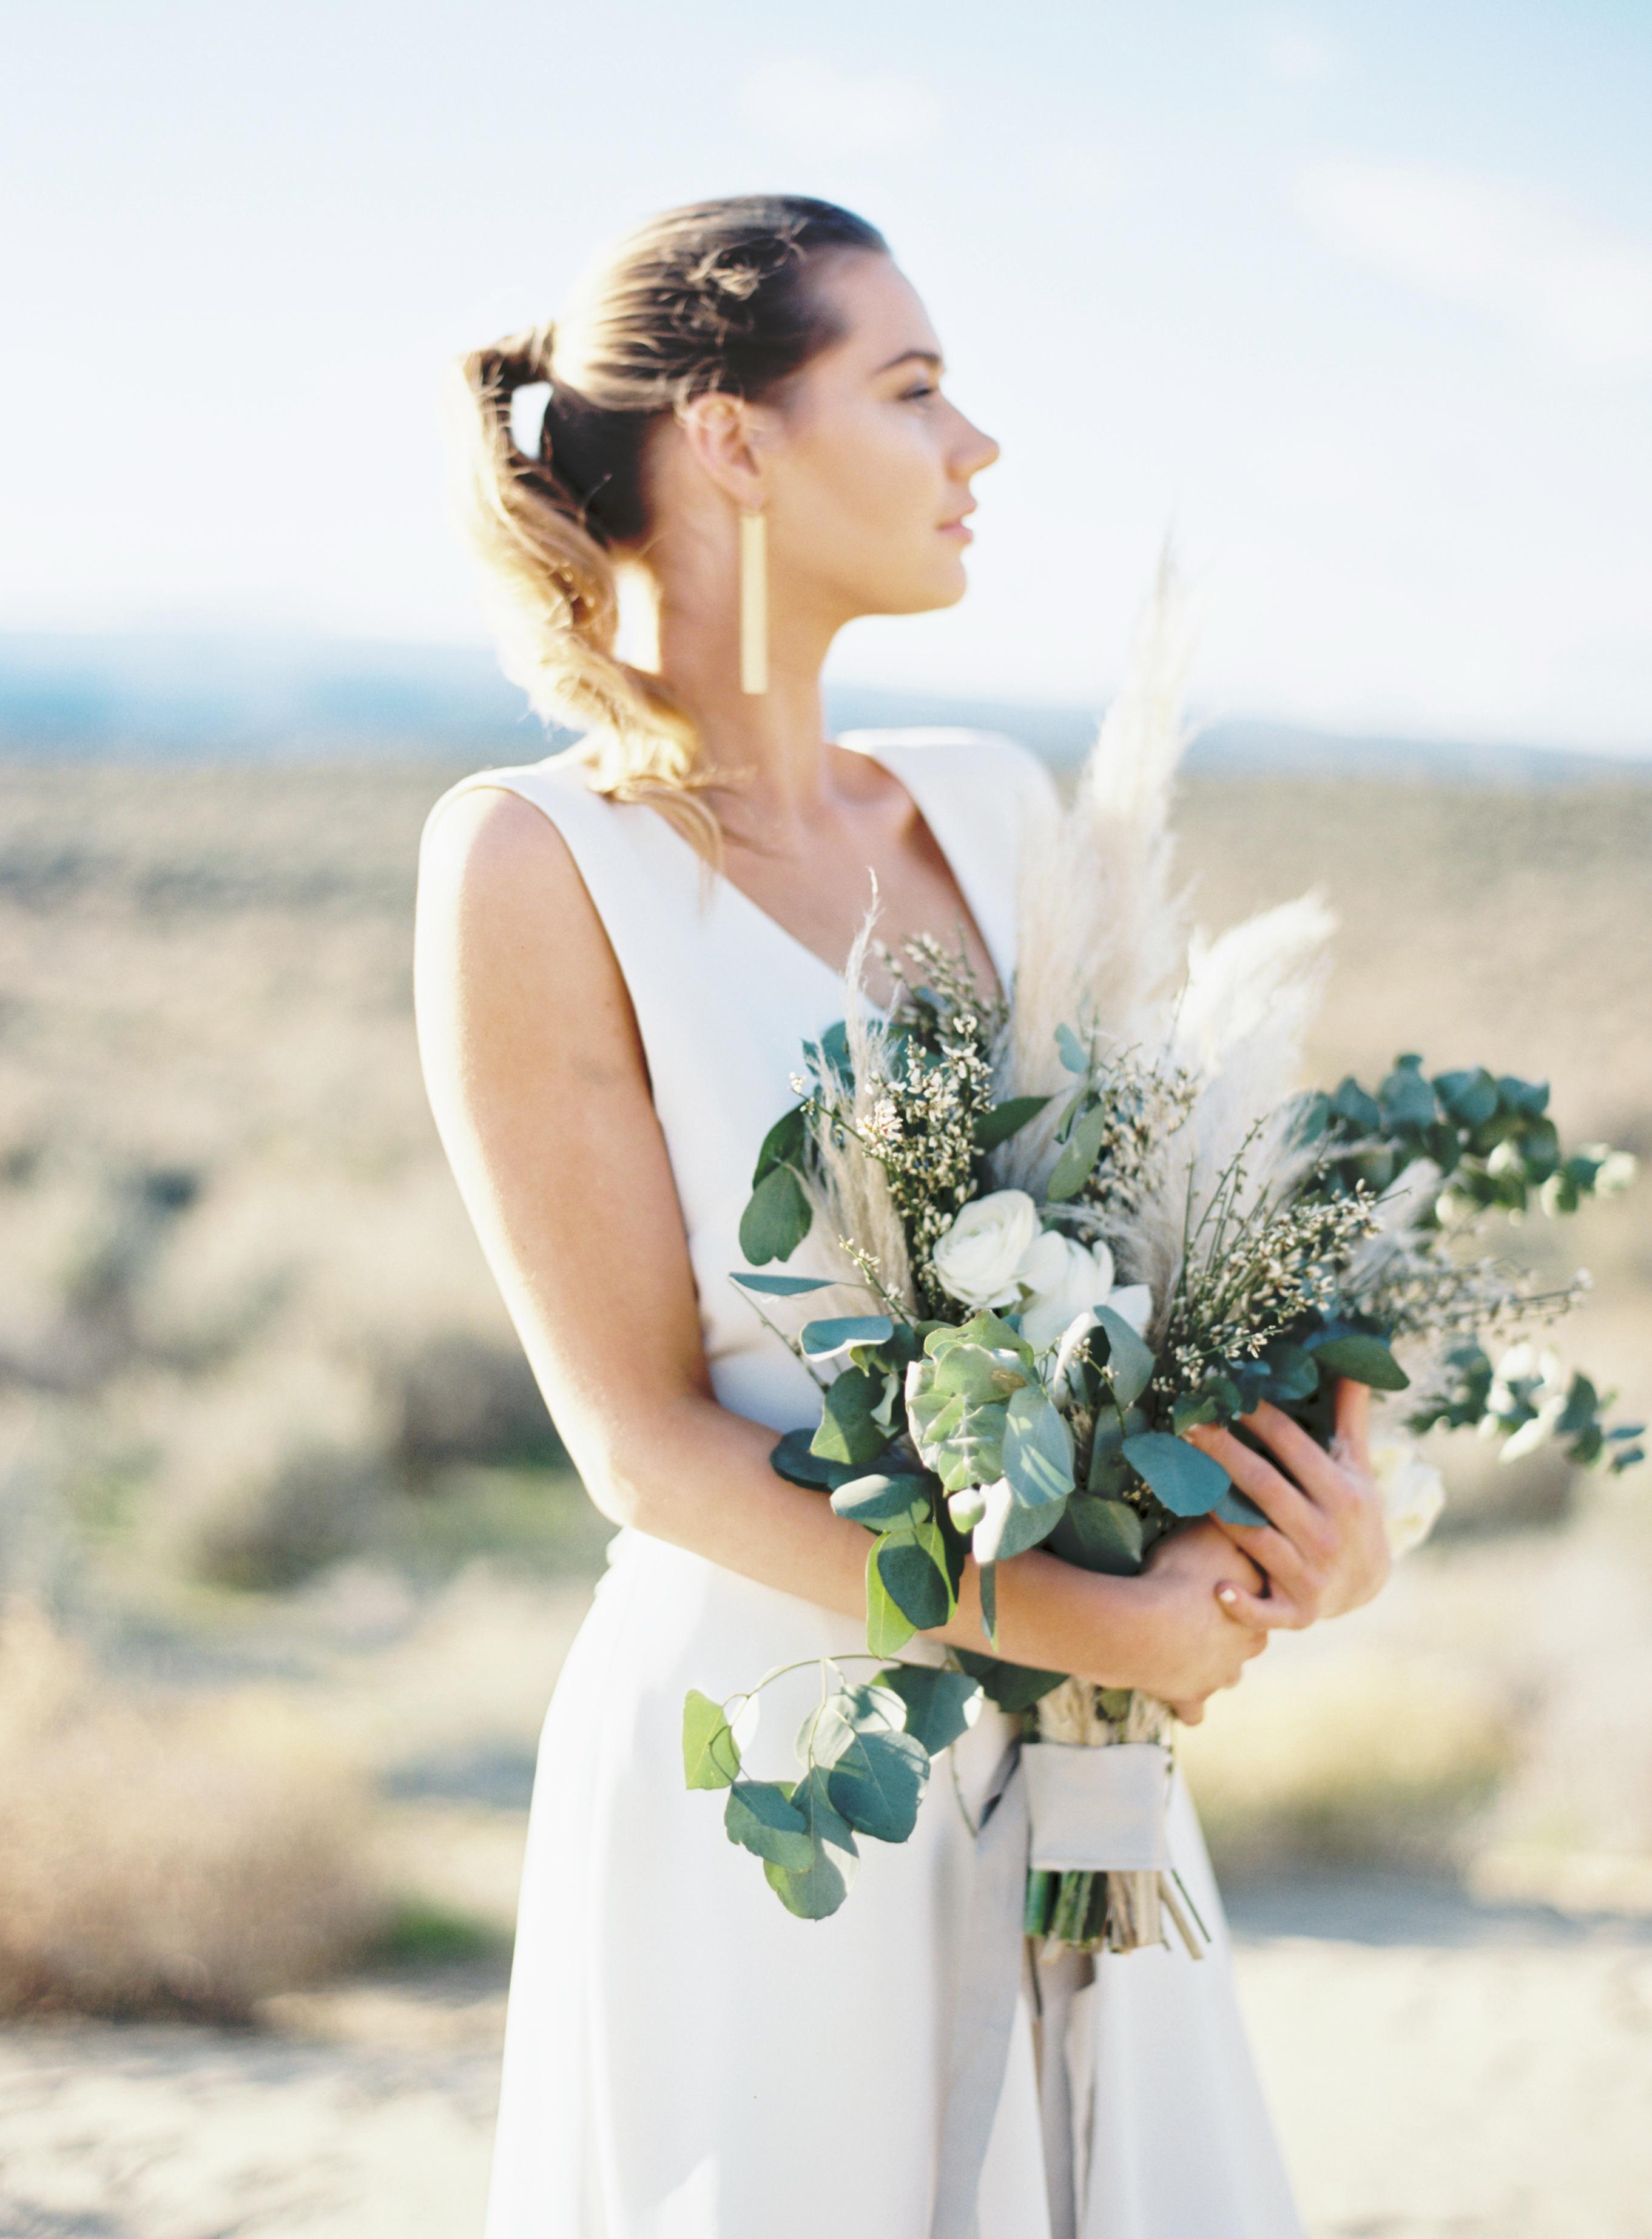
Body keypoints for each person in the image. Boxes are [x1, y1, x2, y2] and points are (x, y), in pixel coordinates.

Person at [414, 195, 1390, 2239]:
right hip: (773, 1762)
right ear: (733, 438)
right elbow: (644, 1440)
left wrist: (1324, 1508)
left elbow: (1177, 1251)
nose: (980, 448)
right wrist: (1079, 1619)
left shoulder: (995, 806)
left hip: (1085, 1767)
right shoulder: (527, 857)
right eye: (915, 385)